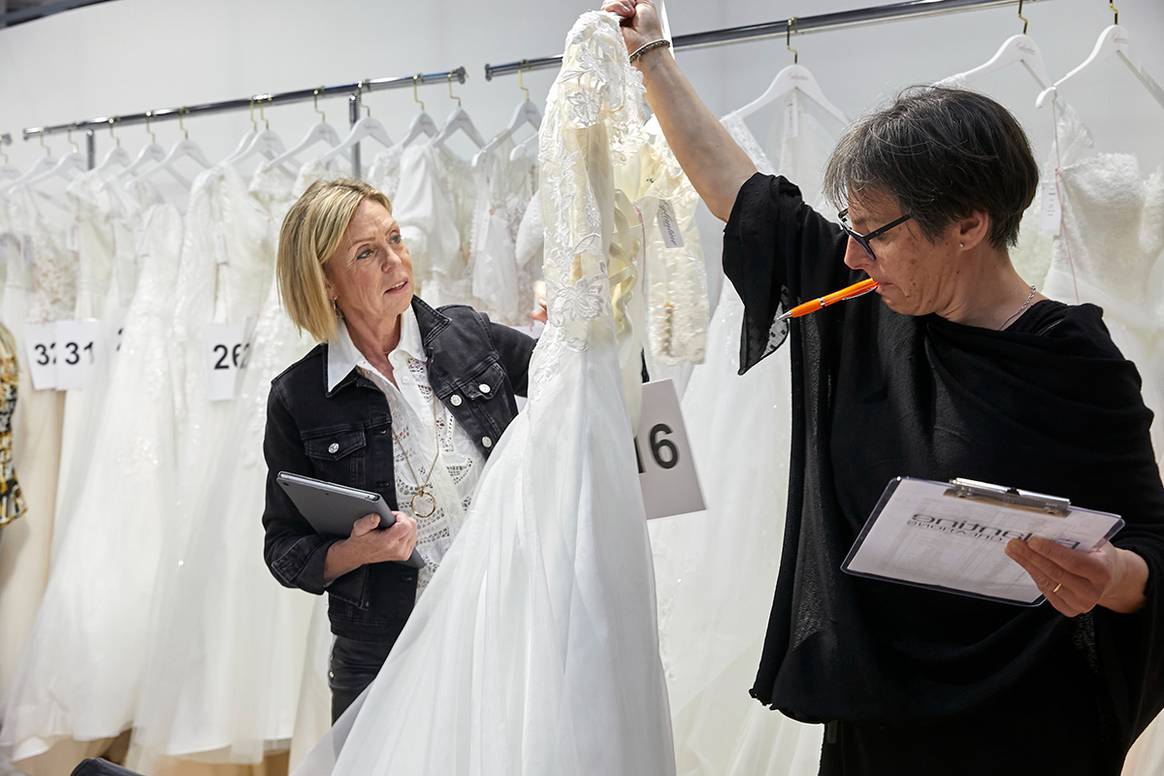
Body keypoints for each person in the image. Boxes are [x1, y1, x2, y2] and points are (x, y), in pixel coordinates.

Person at [603, 1, 1164, 774]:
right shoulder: (866, 308)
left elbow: (1151, 544)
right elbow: (745, 197)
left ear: (967, 226)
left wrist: (1112, 579)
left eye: (875, 232)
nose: (856, 254)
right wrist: (653, 57)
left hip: (1029, 725)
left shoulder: (1074, 360)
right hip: (878, 723)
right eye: (850, 227)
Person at [261, 179, 536, 721]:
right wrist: (358, 552)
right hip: (384, 655)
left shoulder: (469, 335)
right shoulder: (298, 398)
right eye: (367, 253)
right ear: (326, 283)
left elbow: (584, 384)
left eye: (395, 238)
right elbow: (284, 549)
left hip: (507, 624)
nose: (395, 261)